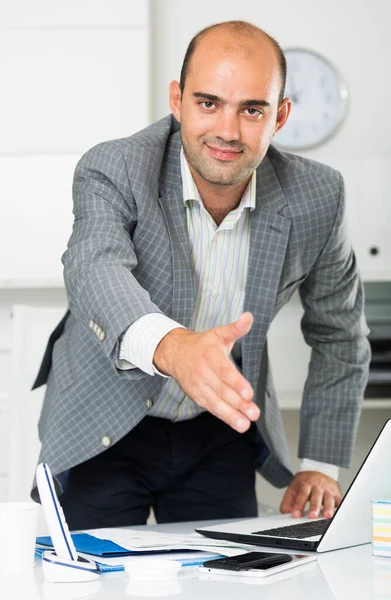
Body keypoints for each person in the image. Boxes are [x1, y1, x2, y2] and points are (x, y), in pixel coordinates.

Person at [32, 20, 370, 530]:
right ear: (178, 100)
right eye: (208, 103)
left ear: (279, 116)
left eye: (251, 109)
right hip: (103, 416)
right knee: (83, 579)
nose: (228, 132)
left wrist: (320, 466)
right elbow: (93, 268)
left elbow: (340, 332)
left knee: (226, 579)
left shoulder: (318, 197)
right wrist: (175, 348)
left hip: (217, 428)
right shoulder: (115, 167)